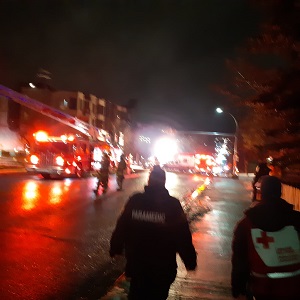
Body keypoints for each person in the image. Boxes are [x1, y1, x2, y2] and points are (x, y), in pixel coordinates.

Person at [109, 165, 197, 300]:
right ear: (163, 182)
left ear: (149, 182)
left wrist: (115, 246)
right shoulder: (172, 205)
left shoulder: (135, 200)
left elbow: (122, 225)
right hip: (162, 268)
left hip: (137, 264)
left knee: (136, 294)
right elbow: (182, 235)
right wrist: (190, 259)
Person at [231, 175, 300, 300]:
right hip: (295, 287)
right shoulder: (297, 220)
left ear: (262, 193)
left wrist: (238, 285)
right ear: (280, 192)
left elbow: (240, 260)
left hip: (261, 288)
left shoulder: (246, 224)